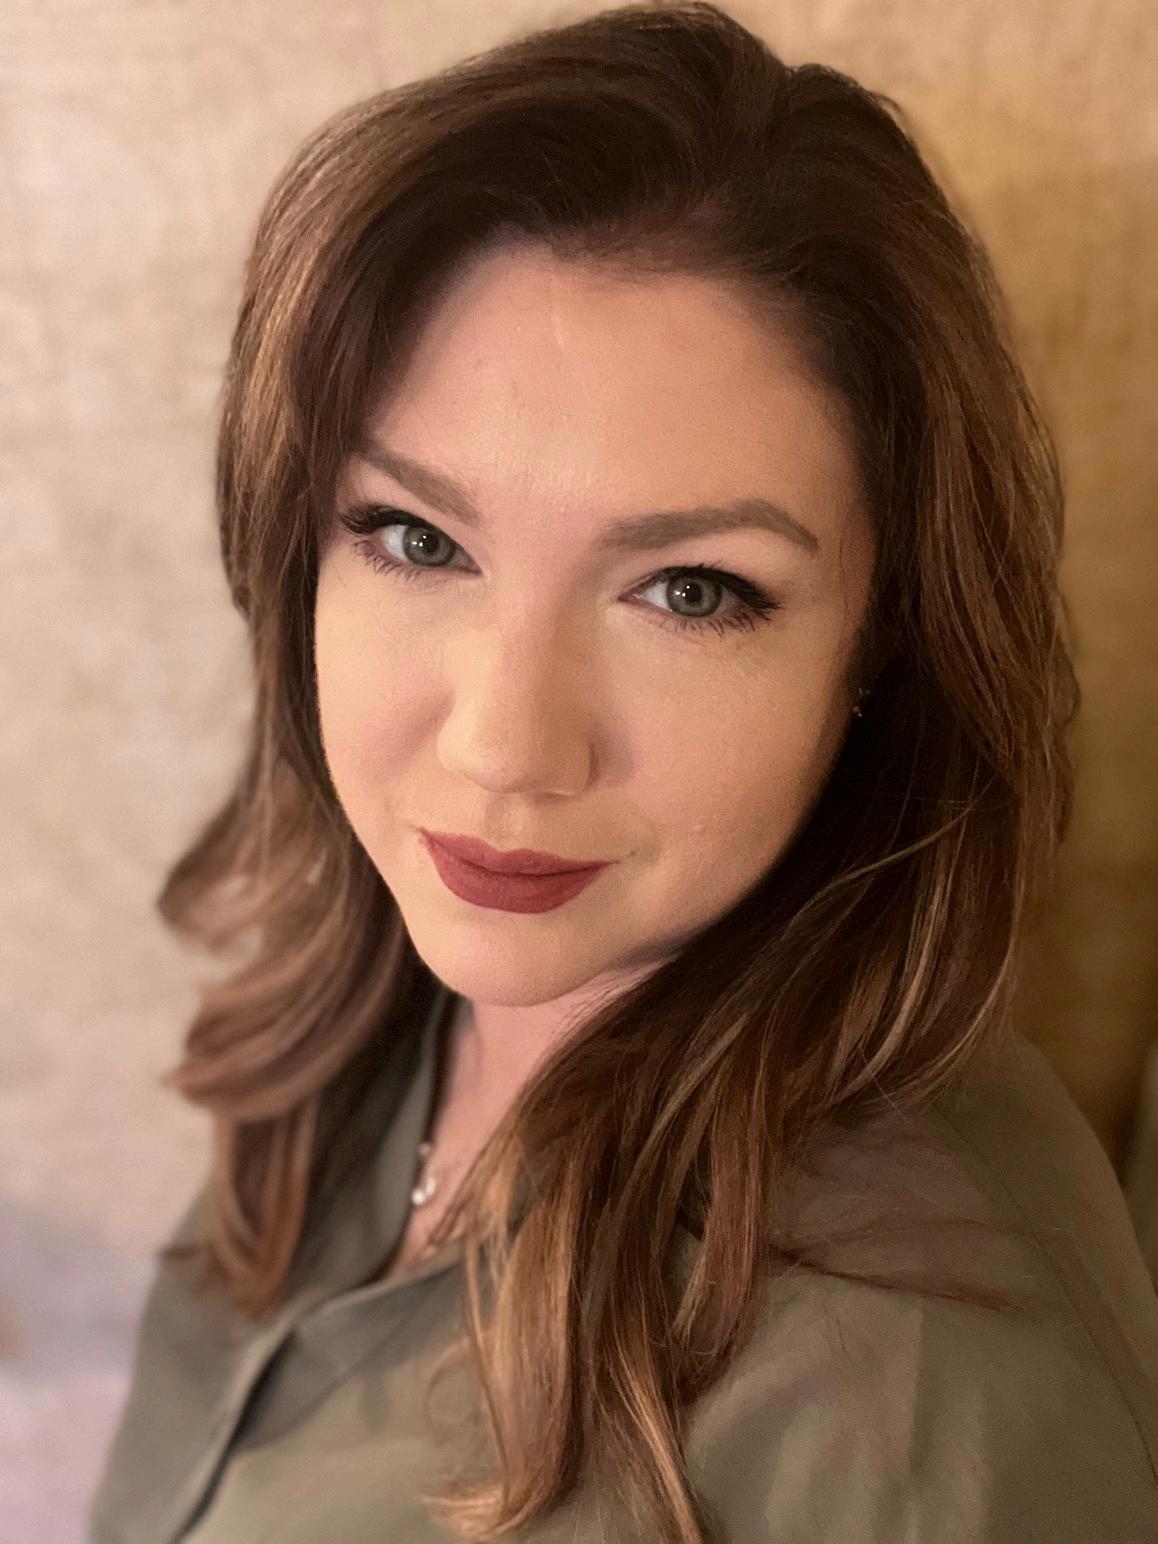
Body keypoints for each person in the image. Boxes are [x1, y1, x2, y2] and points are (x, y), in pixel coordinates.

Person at [89, 4, 1158, 1541]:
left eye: (689, 590)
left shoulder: (922, 1399)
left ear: (882, 643)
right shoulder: (375, 1000)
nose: (503, 747)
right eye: (416, 538)